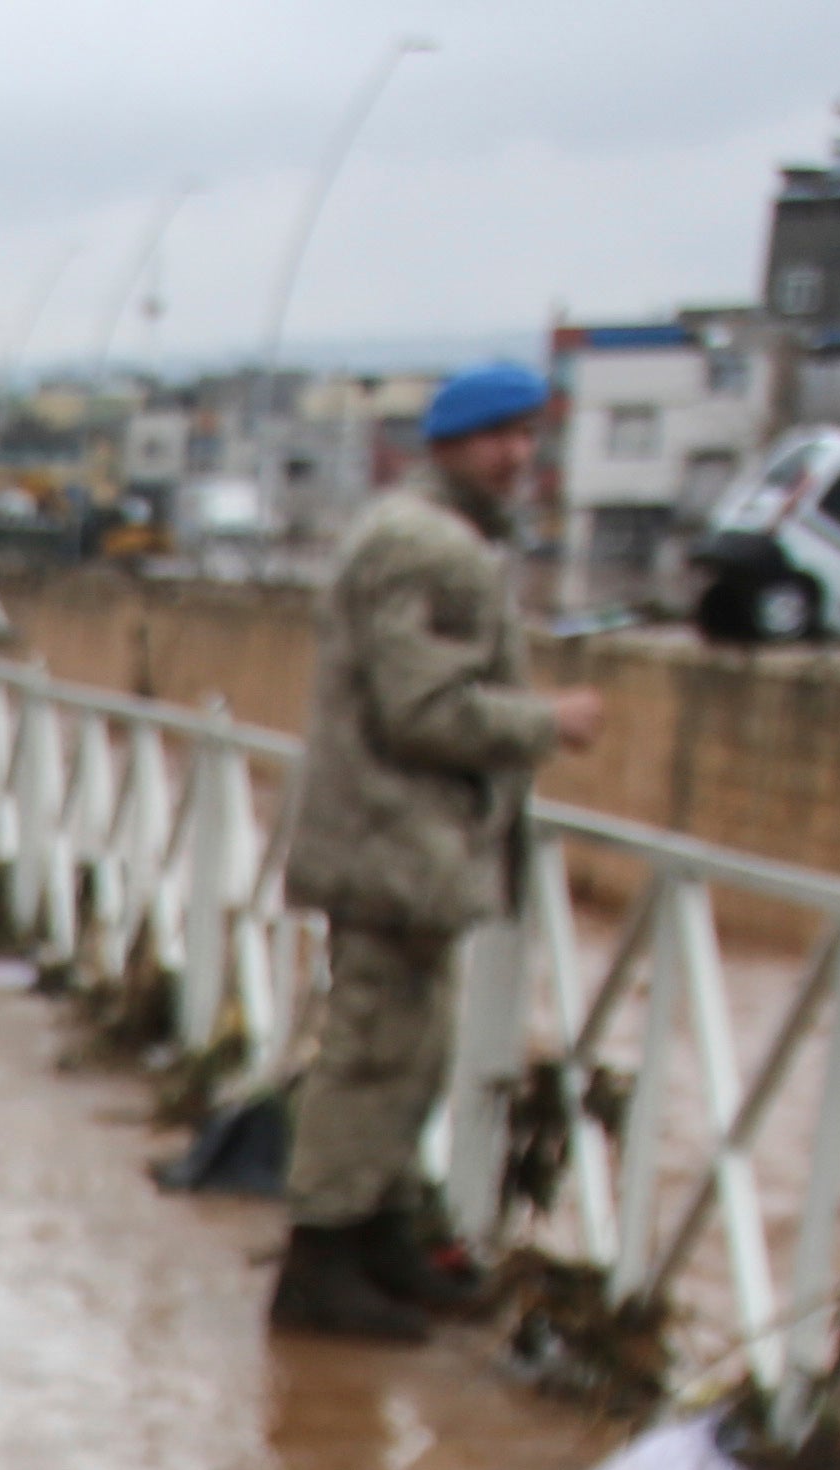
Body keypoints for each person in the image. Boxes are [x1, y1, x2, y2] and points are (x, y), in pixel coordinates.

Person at [276, 361, 604, 1349]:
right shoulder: (429, 551)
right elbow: (423, 710)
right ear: (452, 444)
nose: (519, 457)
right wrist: (550, 721)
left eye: (527, 437)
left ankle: (376, 1240)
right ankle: (321, 1261)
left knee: (408, 1047)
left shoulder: (424, 538)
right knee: (375, 1048)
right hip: (394, 843)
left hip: (400, 846)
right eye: (500, 437)